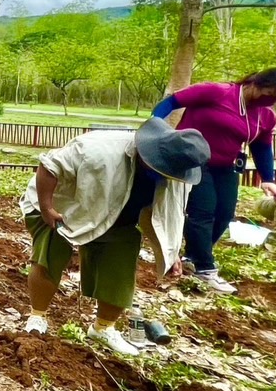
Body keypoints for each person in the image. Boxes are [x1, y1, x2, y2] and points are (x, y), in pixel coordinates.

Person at [20, 117, 210, 355]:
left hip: (117, 217)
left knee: (120, 265)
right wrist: (47, 208)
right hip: (64, 207)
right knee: (50, 254)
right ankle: (37, 317)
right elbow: (48, 166)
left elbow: (172, 213)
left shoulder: (177, 172)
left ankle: (103, 328)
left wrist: (172, 253)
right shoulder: (98, 149)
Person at [151, 68, 276, 293]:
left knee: (225, 213)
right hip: (192, 159)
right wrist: (154, 127)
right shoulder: (216, 92)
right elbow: (171, 102)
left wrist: (268, 178)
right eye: (274, 94)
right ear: (258, 84)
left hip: (225, 165)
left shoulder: (265, 116)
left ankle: (193, 256)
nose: (275, 101)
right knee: (203, 211)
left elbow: (262, 146)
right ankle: (205, 269)